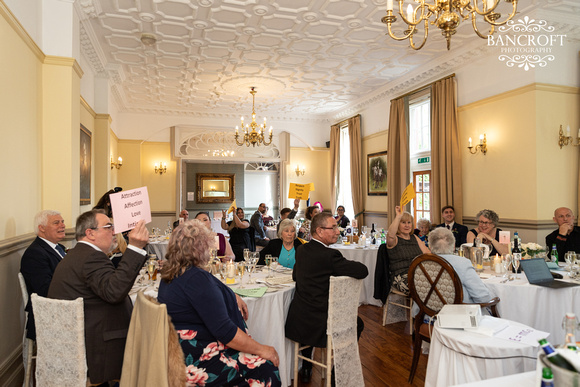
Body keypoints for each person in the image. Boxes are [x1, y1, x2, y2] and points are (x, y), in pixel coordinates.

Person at [157, 220, 281, 387]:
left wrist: (230, 293)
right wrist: (263, 349)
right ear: (199, 249)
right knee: (266, 370)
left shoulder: (175, 272)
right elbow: (226, 332)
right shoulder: (196, 279)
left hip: (176, 349)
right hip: (196, 358)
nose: (212, 249)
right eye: (209, 245)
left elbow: (207, 288)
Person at [48, 210, 149, 384]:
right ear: (90, 233)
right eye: (108, 227)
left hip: (80, 336)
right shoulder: (90, 257)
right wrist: (135, 248)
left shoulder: (78, 254)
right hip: (97, 344)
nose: (113, 231)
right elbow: (114, 292)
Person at [285, 212, 368, 383]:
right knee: (358, 323)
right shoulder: (330, 256)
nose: (338, 231)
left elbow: (295, 276)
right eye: (334, 227)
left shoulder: (301, 250)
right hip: (320, 323)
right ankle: (337, 373)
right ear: (320, 231)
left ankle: (307, 366)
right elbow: (362, 270)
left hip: (299, 319)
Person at [20, 210, 66, 340]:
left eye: (62, 222)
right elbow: (46, 290)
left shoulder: (59, 247)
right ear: (42, 228)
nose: (62, 225)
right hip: (48, 314)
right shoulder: (35, 254)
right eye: (56, 223)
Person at [428, 228, 491, 304]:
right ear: (454, 246)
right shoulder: (462, 263)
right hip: (459, 313)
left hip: (428, 313)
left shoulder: (421, 263)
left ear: (430, 246)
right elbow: (483, 298)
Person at [386, 206, 430, 295]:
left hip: (418, 273)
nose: (407, 225)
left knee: (437, 283)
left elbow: (428, 254)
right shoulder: (394, 240)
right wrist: (398, 216)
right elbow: (390, 235)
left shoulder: (415, 237)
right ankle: (420, 309)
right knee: (427, 288)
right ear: (398, 224)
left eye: (409, 222)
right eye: (403, 222)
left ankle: (422, 308)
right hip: (401, 276)